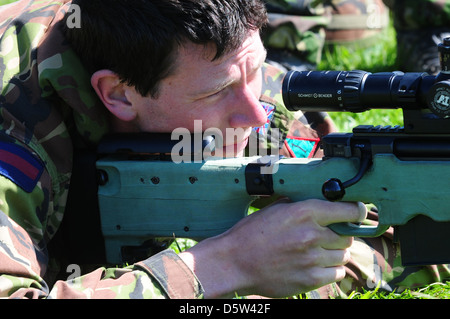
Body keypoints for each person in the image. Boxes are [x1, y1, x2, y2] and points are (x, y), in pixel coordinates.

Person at [0, 0, 448, 299]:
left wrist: (300, 271)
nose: (254, 115)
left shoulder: (229, 74)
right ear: (118, 94)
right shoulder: (14, 123)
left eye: (256, 70)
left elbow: (381, 227)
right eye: (218, 93)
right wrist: (223, 265)